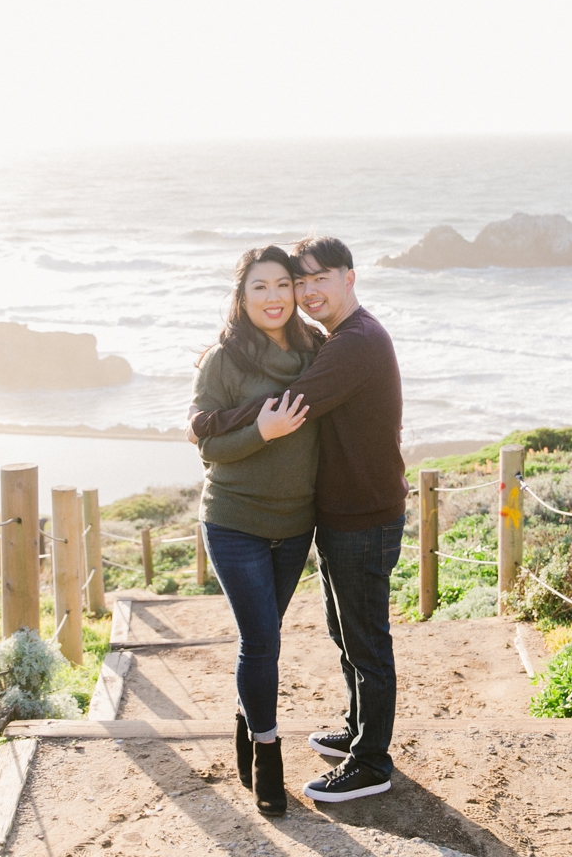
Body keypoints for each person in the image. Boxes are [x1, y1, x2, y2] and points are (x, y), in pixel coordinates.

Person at [190, 236, 406, 803]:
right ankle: (352, 733)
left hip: (362, 514)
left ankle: (371, 761)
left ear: (349, 278)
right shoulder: (325, 341)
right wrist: (215, 423)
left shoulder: (348, 343)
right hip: (326, 515)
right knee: (340, 632)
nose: (302, 292)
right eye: (295, 280)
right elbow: (276, 409)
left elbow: (293, 402)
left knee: (365, 639)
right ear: (242, 295)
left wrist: (210, 421)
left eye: (313, 279)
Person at [191, 245, 323, 817]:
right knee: (262, 641)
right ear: (242, 299)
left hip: (295, 525)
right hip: (233, 521)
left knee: (263, 638)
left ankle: (248, 719)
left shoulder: (317, 349)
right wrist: (261, 433)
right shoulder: (223, 360)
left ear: (296, 292)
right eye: (259, 288)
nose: (273, 298)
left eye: (281, 286)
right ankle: (268, 751)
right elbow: (205, 443)